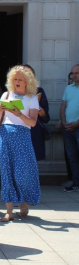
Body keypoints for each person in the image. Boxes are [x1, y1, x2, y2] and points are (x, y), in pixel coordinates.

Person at [0, 66, 40, 221]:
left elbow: (33, 123)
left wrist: (19, 114)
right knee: (6, 172)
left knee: (21, 174)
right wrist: (0, 108)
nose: (17, 82)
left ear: (27, 81)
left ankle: (22, 201)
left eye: (20, 79)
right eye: (15, 79)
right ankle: (8, 211)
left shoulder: (32, 98)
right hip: (5, 135)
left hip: (22, 136)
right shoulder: (6, 94)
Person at [23, 65, 51, 162]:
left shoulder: (39, 91)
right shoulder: (13, 92)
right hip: (19, 131)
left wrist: (36, 106)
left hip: (34, 132)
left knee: (32, 162)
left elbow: (46, 117)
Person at [60, 64, 79, 192]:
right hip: (68, 128)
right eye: (72, 73)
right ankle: (76, 182)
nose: (74, 75)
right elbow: (63, 107)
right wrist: (64, 122)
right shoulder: (68, 88)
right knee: (72, 157)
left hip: (78, 127)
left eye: (77, 73)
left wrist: (77, 123)